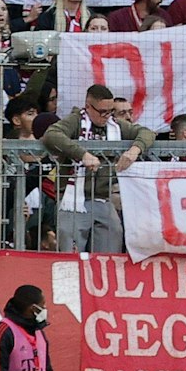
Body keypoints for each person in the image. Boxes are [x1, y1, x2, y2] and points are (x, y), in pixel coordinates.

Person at [40, 84, 157, 254]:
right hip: (73, 200)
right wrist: (82, 154)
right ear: (88, 106)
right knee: (71, 253)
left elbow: (147, 133)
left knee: (111, 244)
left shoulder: (115, 125)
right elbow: (51, 135)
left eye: (110, 111)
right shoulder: (75, 121)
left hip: (103, 199)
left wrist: (135, 150)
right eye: (102, 112)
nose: (107, 116)